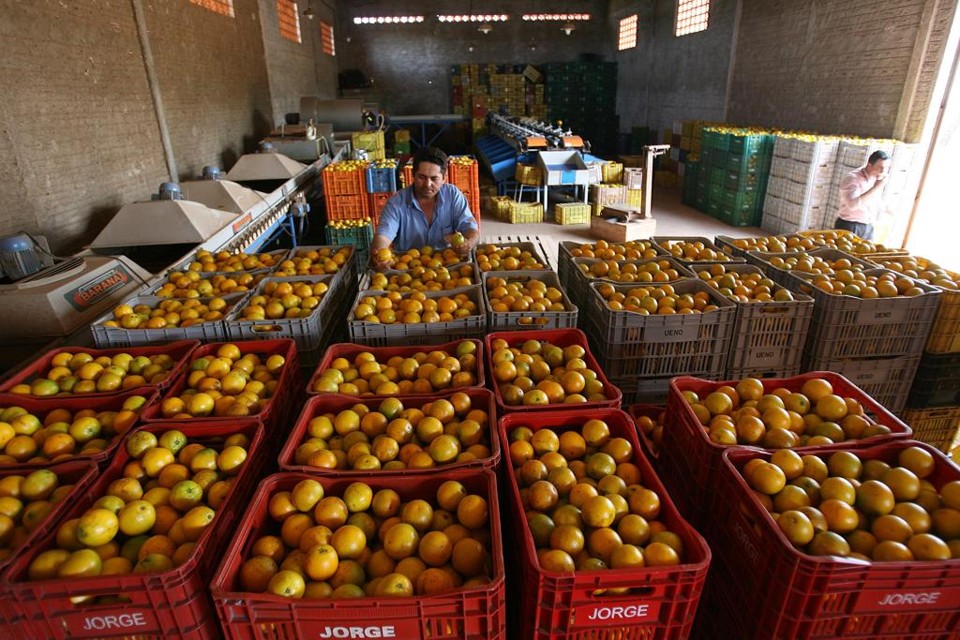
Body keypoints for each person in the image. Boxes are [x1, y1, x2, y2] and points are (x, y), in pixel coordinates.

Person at [370, 147, 479, 269]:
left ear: (444, 178)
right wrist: (379, 254)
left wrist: (468, 243)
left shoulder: (452, 196)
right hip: (408, 272)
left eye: (434, 178)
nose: (427, 184)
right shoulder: (396, 203)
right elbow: (383, 236)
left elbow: (470, 228)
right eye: (422, 177)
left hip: (447, 267)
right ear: (413, 175)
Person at [834, 150, 890, 241]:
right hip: (850, 225)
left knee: (868, 253)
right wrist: (876, 187)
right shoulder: (853, 179)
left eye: (886, 167)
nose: (883, 171)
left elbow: (873, 199)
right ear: (869, 165)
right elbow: (852, 205)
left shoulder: (876, 178)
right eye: (880, 167)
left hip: (868, 225)